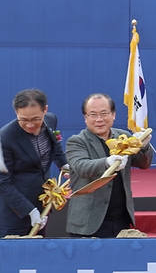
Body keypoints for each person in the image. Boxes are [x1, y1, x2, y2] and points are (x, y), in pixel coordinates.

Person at [65, 93, 151, 237]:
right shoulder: (77, 141)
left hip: (121, 219)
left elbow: (143, 164)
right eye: (93, 114)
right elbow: (81, 167)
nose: (99, 119)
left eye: (104, 113)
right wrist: (106, 162)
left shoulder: (123, 136)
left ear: (113, 115)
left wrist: (143, 146)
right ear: (85, 117)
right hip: (88, 222)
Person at [0, 89, 68, 237]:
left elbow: (55, 145)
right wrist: (30, 211)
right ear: (16, 112)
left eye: (36, 119)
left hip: (43, 206)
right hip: (13, 215)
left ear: (45, 110)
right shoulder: (4, 138)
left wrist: (64, 166)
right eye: (24, 120)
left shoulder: (51, 120)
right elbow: (3, 184)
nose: (30, 125)